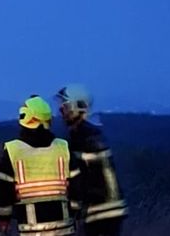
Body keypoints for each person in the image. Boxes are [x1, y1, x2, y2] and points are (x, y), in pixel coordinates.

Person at [0, 95, 80, 236]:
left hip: (31, 229)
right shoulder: (63, 148)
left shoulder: (13, 151)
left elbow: (4, 191)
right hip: (63, 226)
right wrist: (76, 211)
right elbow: (77, 185)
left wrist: (4, 219)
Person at [55, 84, 127, 236]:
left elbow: (78, 176)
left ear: (79, 107)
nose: (62, 112)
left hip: (101, 209)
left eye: (65, 107)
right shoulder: (90, 133)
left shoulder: (83, 137)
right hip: (107, 208)